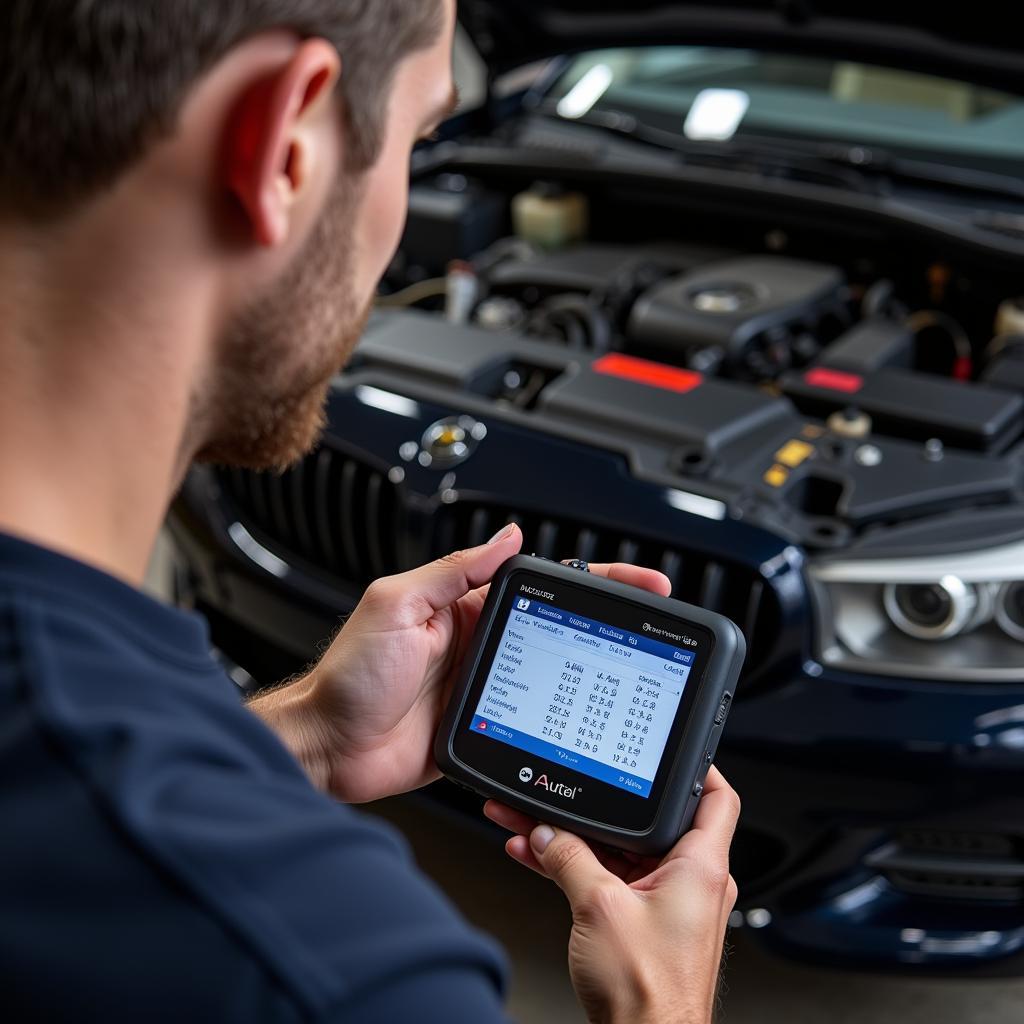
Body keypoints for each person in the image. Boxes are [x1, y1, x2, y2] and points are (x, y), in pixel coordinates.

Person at [0, 2, 740, 1021]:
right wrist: (662, 1006)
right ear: (285, 143)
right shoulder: (337, 969)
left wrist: (305, 733)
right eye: (420, 134)